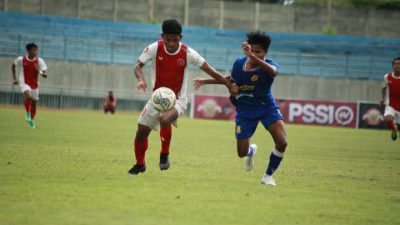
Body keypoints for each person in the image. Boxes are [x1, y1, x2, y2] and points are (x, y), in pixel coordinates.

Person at [128, 19, 238, 175]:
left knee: (165, 119)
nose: (171, 43)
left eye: (175, 39)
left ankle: (164, 154)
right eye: (168, 39)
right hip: (157, 98)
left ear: (181, 37)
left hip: (178, 99)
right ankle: (140, 164)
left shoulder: (188, 53)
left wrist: (228, 85)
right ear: (162, 36)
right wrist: (140, 79)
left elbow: (211, 70)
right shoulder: (154, 48)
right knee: (141, 131)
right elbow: (137, 65)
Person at [194, 32, 287, 186]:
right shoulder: (239, 64)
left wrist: (252, 56)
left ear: (266, 53)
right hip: (245, 110)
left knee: (282, 142)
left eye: (259, 52)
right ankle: (251, 151)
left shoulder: (270, 65)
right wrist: (208, 81)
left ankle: (268, 176)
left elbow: (273, 72)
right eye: (253, 50)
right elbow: (232, 80)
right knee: (241, 153)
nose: (255, 54)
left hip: (266, 107)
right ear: (248, 48)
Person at [12, 43, 48, 129]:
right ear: (28, 51)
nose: (35, 52)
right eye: (34, 50)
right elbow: (13, 66)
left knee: (34, 103)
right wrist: (14, 78)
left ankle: (31, 120)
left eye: (36, 50)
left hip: (34, 84)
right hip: (24, 82)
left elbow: (44, 74)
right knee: (29, 96)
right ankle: (27, 114)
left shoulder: (39, 61)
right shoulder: (21, 59)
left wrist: (39, 71)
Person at [380, 57, 400, 141]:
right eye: (395, 64)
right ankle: (394, 129)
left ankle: (395, 127)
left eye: (399, 64)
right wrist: (382, 98)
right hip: (390, 104)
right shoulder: (387, 76)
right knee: (387, 118)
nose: (397, 66)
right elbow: (384, 87)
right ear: (392, 66)